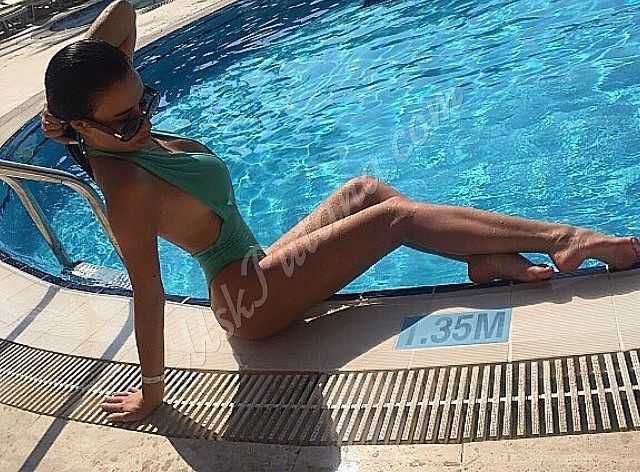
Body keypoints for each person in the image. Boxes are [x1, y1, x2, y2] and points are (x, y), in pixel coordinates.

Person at [40, 1, 640, 423]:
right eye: (125, 121)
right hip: (247, 301)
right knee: (393, 220)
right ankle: (565, 239)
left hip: (256, 264)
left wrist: (62, 107)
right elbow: (148, 292)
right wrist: (151, 393)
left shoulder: (105, 120)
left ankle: (486, 260)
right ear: (88, 125)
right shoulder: (125, 186)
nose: (143, 122)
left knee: (365, 191)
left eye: (145, 102)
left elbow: (121, 13)